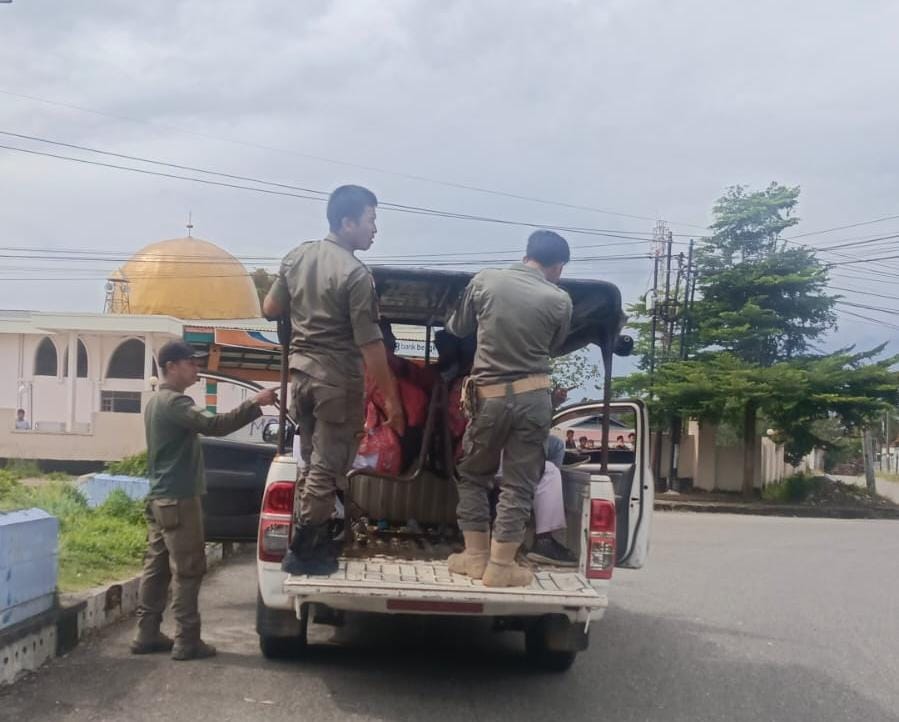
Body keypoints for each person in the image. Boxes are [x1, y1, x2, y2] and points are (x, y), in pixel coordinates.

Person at [262, 185, 404, 576]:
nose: (375, 229)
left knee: (311, 461)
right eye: (371, 220)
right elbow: (371, 345)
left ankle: (315, 538)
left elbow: (270, 307)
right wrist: (391, 401)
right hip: (336, 381)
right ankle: (306, 547)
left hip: (302, 378)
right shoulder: (355, 274)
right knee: (327, 466)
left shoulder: (297, 256)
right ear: (348, 222)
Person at [132, 340, 276, 661]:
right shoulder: (175, 404)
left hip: (160, 496)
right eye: (190, 363)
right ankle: (187, 640)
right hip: (180, 499)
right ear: (171, 366)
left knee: (156, 568)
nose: (196, 367)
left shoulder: (157, 402)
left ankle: (147, 632)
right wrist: (255, 403)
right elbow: (215, 425)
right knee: (189, 570)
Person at [445, 229, 572, 588]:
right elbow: (555, 344)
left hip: (489, 396)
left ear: (527, 253)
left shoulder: (486, 281)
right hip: (534, 398)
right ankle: (501, 567)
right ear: (557, 266)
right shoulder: (560, 299)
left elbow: (458, 327)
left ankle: (473, 558)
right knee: (519, 483)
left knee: (473, 475)